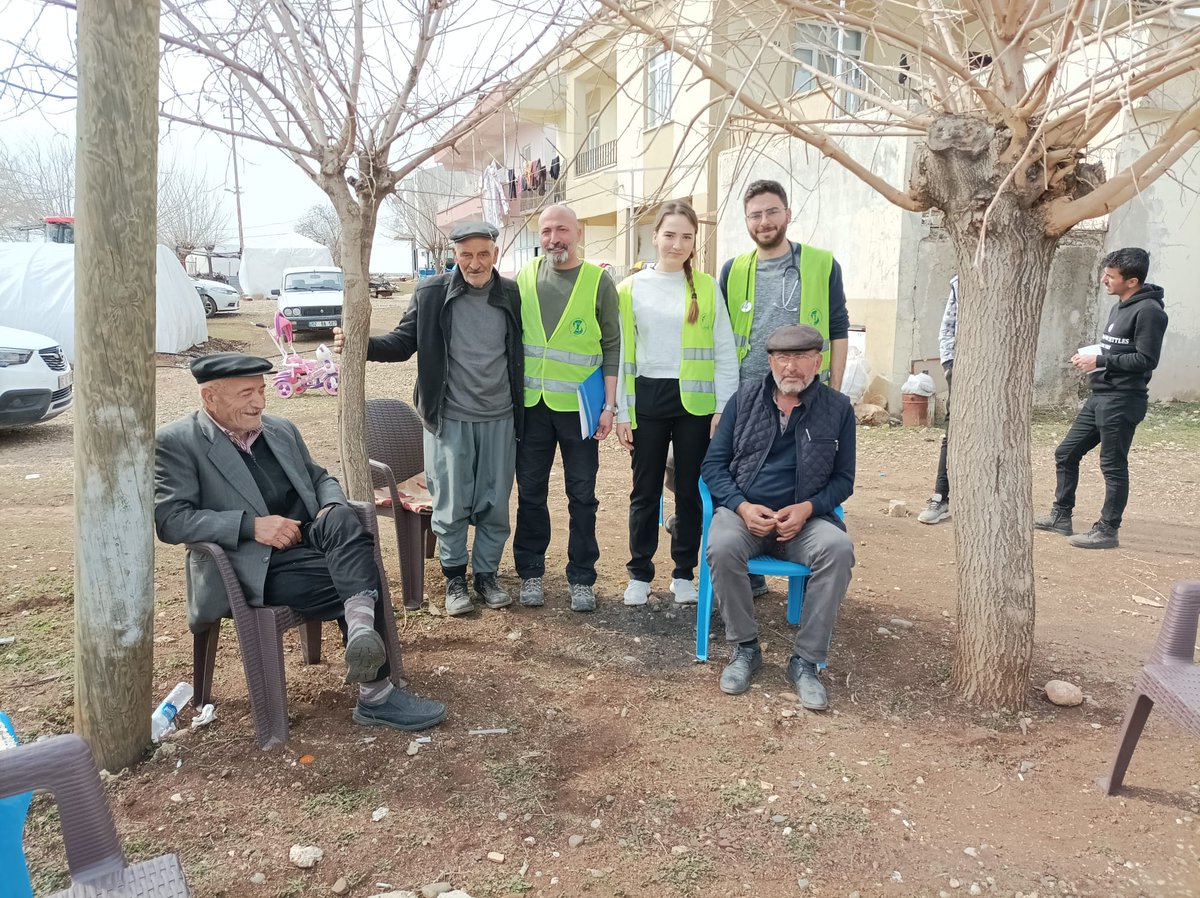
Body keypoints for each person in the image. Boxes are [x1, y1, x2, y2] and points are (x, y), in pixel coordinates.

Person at [155, 352, 446, 732]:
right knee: (358, 577)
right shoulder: (178, 442)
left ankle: (359, 633)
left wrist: (328, 506)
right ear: (210, 398)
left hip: (307, 539)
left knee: (342, 517)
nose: (259, 402)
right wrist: (250, 527)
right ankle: (375, 695)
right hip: (251, 564)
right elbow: (170, 520)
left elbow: (321, 477)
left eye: (260, 391)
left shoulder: (280, 429)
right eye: (246, 394)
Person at [333, 221, 523, 614]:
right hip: (449, 416)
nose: (475, 263)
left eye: (483, 254)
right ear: (454, 256)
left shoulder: (511, 294)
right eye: (466, 255)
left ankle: (487, 576)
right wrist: (359, 345)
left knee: (495, 502)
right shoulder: (432, 293)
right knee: (450, 503)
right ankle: (455, 580)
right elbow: (403, 343)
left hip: (500, 415)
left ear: (495, 255)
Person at [701, 324, 856, 710]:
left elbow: (844, 480)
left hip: (805, 522)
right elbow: (714, 465)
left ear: (817, 362)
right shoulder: (746, 398)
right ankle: (745, 648)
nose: (792, 368)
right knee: (721, 546)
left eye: (802, 357)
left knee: (838, 549)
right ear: (770, 362)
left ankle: (805, 662)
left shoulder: (838, 409)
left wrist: (808, 509)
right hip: (746, 516)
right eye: (783, 358)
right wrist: (741, 506)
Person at [718, 177, 851, 598]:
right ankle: (746, 564)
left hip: (806, 391)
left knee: (803, 475)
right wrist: (725, 403)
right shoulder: (733, 270)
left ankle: (805, 554)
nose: (764, 221)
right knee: (739, 472)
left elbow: (837, 327)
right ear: (746, 221)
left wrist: (833, 391)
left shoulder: (821, 264)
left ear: (788, 214)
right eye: (755, 215)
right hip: (749, 396)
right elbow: (721, 336)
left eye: (772, 211)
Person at [614, 201, 739, 607]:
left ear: (694, 242)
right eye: (669, 234)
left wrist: (723, 407)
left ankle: (684, 572)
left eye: (686, 236)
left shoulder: (704, 286)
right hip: (647, 398)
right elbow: (618, 356)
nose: (677, 243)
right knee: (645, 489)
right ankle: (640, 573)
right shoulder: (629, 289)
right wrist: (621, 411)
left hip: (696, 404)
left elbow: (724, 349)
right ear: (654, 237)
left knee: (689, 489)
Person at [513, 205, 621, 612]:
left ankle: (581, 577)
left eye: (561, 230)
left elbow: (613, 346)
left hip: (581, 408)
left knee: (582, 494)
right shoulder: (524, 277)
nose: (553, 238)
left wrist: (609, 406)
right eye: (545, 231)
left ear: (579, 232)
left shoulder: (598, 282)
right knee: (530, 492)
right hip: (533, 406)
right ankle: (531, 573)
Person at [1035, 248, 1168, 549]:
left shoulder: (1150, 312)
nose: (1103, 280)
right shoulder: (1120, 305)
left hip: (1123, 400)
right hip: (1101, 395)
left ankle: (1108, 530)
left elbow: (1147, 360)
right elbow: (1117, 348)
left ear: (1132, 281)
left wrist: (1102, 361)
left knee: (1113, 465)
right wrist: (1093, 354)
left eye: (1110, 276)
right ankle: (1060, 516)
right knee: (1066, 453)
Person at [918, 276, 958, 525]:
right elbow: (948, 326)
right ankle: (941, 497)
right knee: (952, 431)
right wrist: (949, 364)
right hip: (962, 368)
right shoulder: (960, 282)